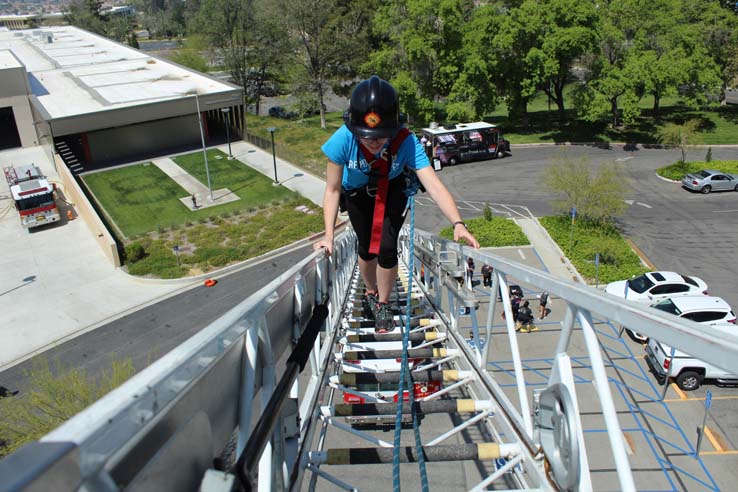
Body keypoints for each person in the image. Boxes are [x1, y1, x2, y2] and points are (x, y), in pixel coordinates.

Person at [314, 76, 479, 332]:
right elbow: (333, 189)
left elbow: (434, 185)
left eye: (381, 137)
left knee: (387, 247)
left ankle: (382, 303)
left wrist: (458, 223)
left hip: (392, 189)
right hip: (356, 192)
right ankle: (370, 291)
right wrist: (329, 235)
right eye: (367, 136)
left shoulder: (406, 142)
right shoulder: (342, 140)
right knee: (367, 247)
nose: (373, 142)